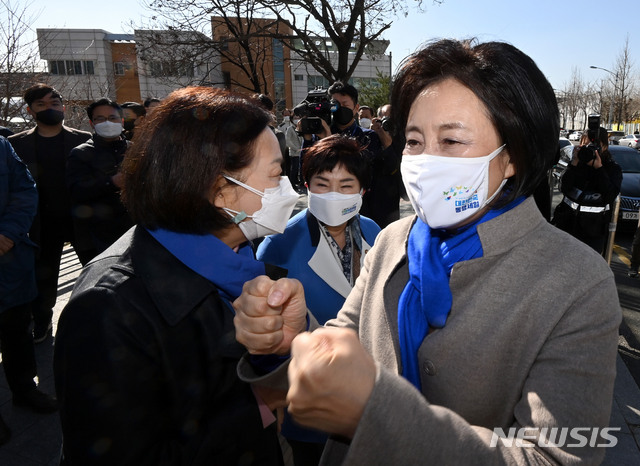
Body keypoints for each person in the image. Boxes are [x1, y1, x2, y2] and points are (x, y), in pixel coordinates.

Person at [232, 39, 621, 465]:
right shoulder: (392, 240)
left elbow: (558, 457)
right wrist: (292, 342)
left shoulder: (578, 283)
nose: (425, 161)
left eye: (451, 141)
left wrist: (376, 413)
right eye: (415, 141)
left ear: (511, 158)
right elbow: (338, 351)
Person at [54, 86, 300, 465]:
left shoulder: (240, 262)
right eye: (276, 174)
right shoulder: (109, 307)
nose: (287, 189)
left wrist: (279, 358)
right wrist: (264, 402)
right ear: (220, 191)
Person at [256, 134, 381, 465]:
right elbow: (270, 334)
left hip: (370, 396)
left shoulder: (374, 233)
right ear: (307, 186)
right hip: (311, 401)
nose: (333, 194)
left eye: (346, 184)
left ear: (363, 191)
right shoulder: (278, 246)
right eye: (322, 184)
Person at [8, 83, 92, 343]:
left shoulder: (84, 140)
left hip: (82, 219)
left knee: (94, 270)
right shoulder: (15, 144)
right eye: (41, 105)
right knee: (44, 277)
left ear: (63, 106)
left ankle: (101, 319)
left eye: (54, 103)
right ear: (30, 110)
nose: (49, 109)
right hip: (40, 224)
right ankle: (42, 321)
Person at [0, 137, 58, 445]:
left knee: (17, 333)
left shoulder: (0, 145)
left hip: (8, 262)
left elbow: (24, 190)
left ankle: (25, 390)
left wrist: (8, 232)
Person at [301, 82, 401, 228]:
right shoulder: (320, 134)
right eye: (336, 104)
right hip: (328, 213)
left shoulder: (369, 137)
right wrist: (309, 139)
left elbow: (364, 171)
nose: (340, 109)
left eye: (345, 105)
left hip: (364, 211)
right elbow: (306, 172)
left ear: (356, 108)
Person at [66, 98, 133, 263]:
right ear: (92, 123)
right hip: (100, 234)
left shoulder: (136, 149)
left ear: (122, 120)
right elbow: (76, 190)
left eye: (112, 118)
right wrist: (111, 182)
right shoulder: (81, 153)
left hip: (136, 228)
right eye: (100, 119)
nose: (107, 122)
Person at [552, 128, 622, 254]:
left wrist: (599, 169)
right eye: (585, 144)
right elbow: (563, 187)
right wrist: (574, 163)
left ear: (604, 146)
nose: (589, 149)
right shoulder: (576, 164)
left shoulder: (612, 168)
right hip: (566, 224)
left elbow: (609, 195)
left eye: (593, 146)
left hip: (593, 231)